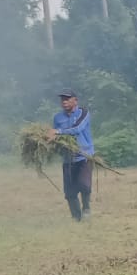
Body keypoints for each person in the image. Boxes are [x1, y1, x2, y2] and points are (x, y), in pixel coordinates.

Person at [51, 90, 94, 222]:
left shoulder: (83, 113)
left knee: (84, 185)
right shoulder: (58, 118)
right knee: (69, 192)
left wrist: (58, 131)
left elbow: (77, 128)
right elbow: (54, 137)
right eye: (62, 99)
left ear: (75, 100)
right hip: (68, 158)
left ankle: (86, 208)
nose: (64, 101)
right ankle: (76, 218)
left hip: (84, 155)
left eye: (68, 99)